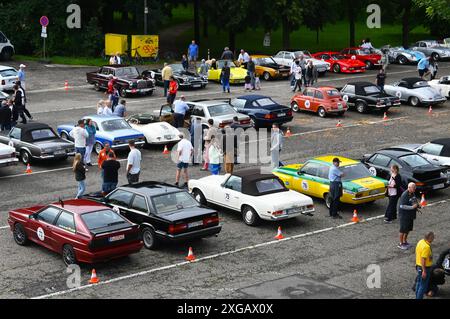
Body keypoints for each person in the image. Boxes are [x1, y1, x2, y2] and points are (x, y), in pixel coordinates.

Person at [397, 182, 419, 250]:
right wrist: (412, 207)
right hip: (404, 216)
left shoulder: (412, 193)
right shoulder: (404, 195)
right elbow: (402, 206)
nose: (414, 189)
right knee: (403, 230)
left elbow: (414, 200)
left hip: (410, 215)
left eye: (415, 188)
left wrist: (418, 205)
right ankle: (401, 243)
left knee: (408, 229)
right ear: (409, 188)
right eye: (413, 188)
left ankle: (405, 241)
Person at [415, 232, 435, 299]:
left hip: (418, 265)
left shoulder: (421, 241)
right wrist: (424, 271)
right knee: (423, 286)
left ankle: (417, 297)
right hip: (424, 267)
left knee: (418, 282)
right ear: (429, 238)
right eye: (433, 237)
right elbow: (423, 259)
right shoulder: (426, 247)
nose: (434, 238)